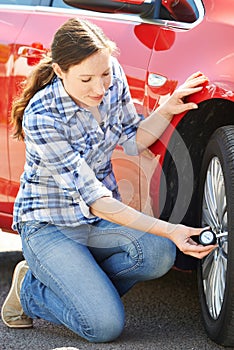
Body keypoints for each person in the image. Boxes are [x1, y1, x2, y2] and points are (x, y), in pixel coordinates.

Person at [1, 17, 215, 343]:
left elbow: (133, 138)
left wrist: (168, 107)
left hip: (94, 224)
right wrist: (172, 229)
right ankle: (31, 291)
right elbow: (96, 200)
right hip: (50, 227)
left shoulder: (110, 76)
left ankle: (82, 288)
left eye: (104, 75)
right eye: (87, 79)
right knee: (104, 326)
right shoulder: (42, 117)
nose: (100, 88)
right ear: (60, 72)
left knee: (158, 253)